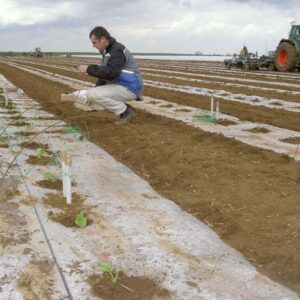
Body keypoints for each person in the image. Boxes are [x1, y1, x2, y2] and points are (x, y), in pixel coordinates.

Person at [77, 26, 143, 124]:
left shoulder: (116, 51)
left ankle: (126, 112)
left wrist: (88, 68)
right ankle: (125, 108)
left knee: (93, 94)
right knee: (93, 94)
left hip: (130, 87)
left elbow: (111, 73)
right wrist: (96, 91)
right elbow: (104, 74)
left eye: (94, 42)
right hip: (124, 85)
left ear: (103, 39)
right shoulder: (109, 51)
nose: (93, 46)